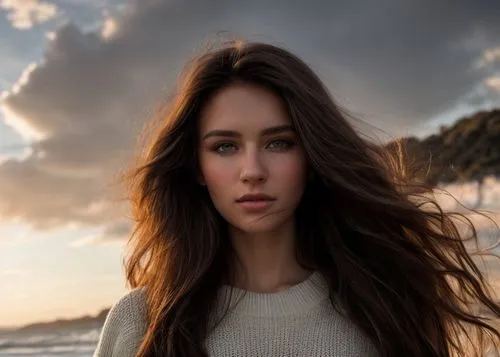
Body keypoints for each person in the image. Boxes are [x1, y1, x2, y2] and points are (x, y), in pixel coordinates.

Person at [93, 40, 500, 357]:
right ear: (196, 167)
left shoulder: (383, 307)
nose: (252, 170)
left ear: (311, 155)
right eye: (225, 147)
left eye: (279, 143)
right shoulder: (142, 322)